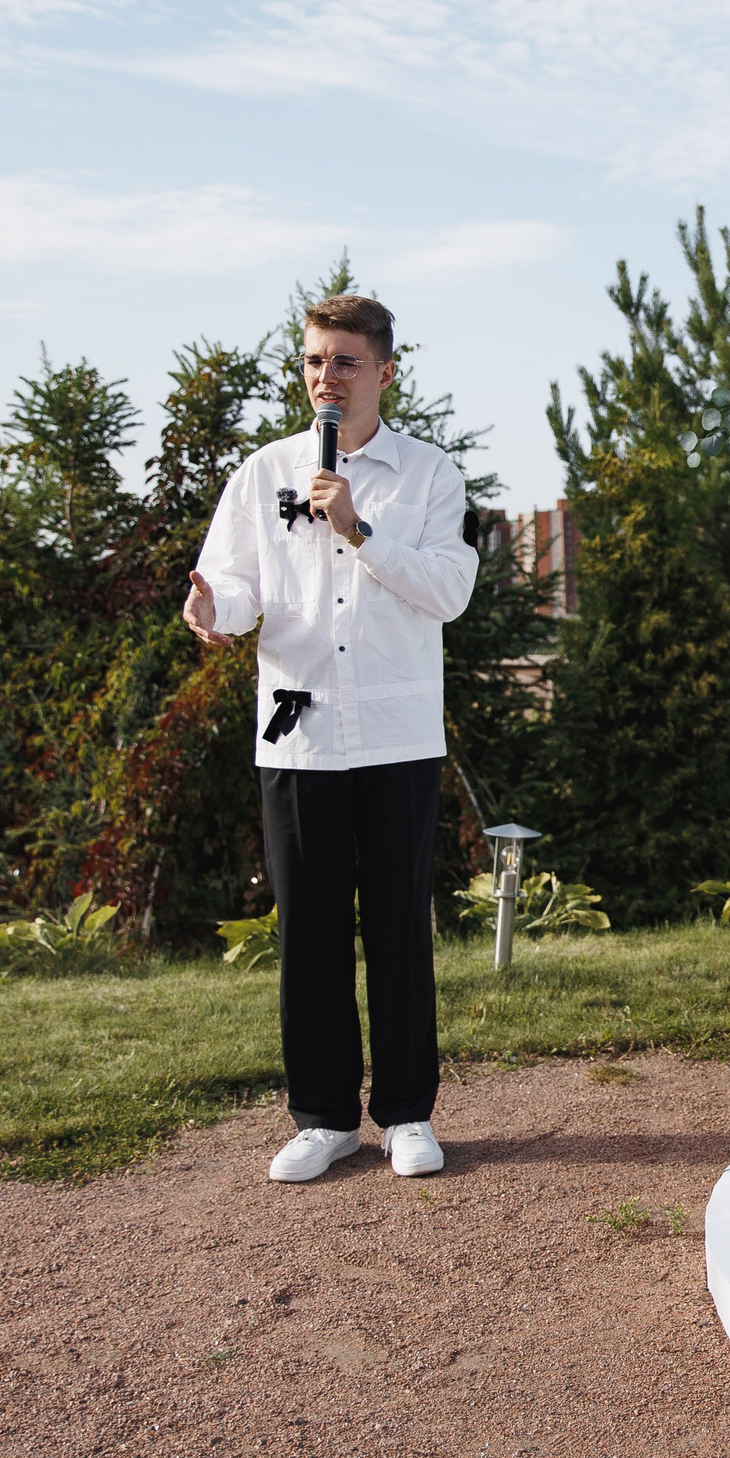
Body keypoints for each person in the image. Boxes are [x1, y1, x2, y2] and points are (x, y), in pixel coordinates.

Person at [183, 293, 478, 1183]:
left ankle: (407, 1114)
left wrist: (357, 528)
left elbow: (449, 591)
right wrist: (215, 611)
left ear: (384, 371)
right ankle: (323, 1119)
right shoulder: (263, 471)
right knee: (309, 933)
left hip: (395, 736)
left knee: (397, 926)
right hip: (300, 737)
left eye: (345, 361)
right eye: (315, 360)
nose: (327, 377)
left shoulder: (429, 475)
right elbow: (238, 586)